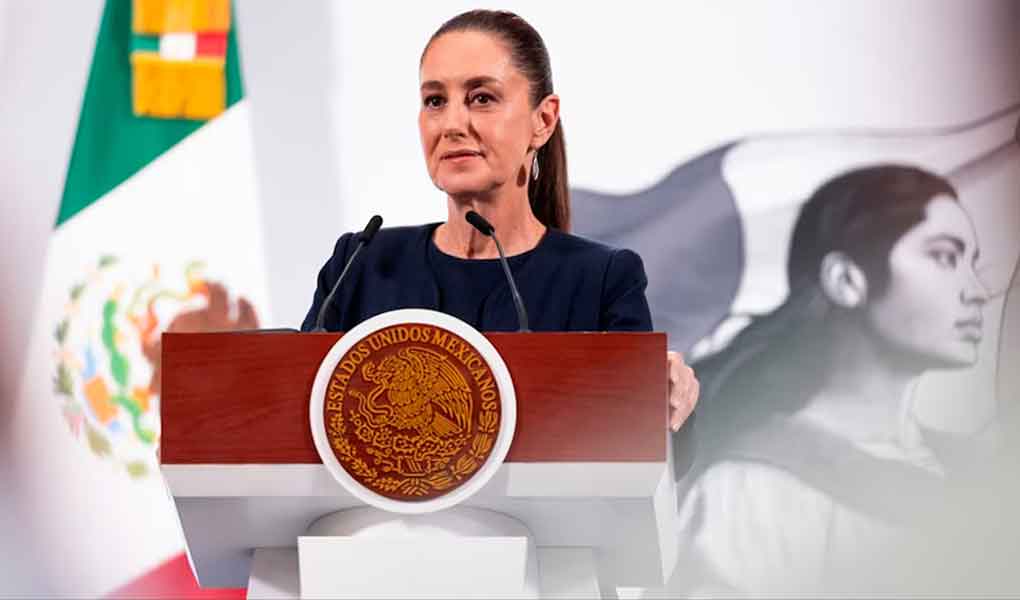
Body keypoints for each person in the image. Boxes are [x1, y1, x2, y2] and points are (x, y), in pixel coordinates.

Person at [300, 10, 697, 431]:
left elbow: (638, 446)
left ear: (543, 120)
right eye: (435, 101)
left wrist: (673, 404)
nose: (452, 124)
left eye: (482, 98)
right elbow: (294, 416)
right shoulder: (360, 265)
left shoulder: (601, 281)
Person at [662, 165, 990, 596]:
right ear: (846, 280)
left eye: (972, 264)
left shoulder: (972, 472)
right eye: (945, 257)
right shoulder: (756, 492)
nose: (978, 290)